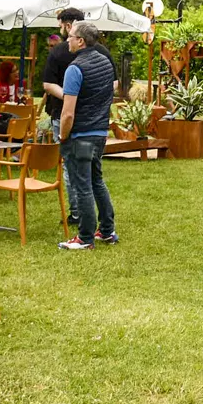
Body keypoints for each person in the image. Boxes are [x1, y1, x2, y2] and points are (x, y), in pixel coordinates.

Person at [56, 22, 118, 250]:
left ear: (81, 40)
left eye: (70, 36)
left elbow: (68, 113)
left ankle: (84, 238)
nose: (67, 40)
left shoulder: (75, 69)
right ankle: (107, 230)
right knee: (96, 181)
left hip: (80, 135)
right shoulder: (105, 63)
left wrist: (63, 137)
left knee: (82, 186)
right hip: (100, 133)